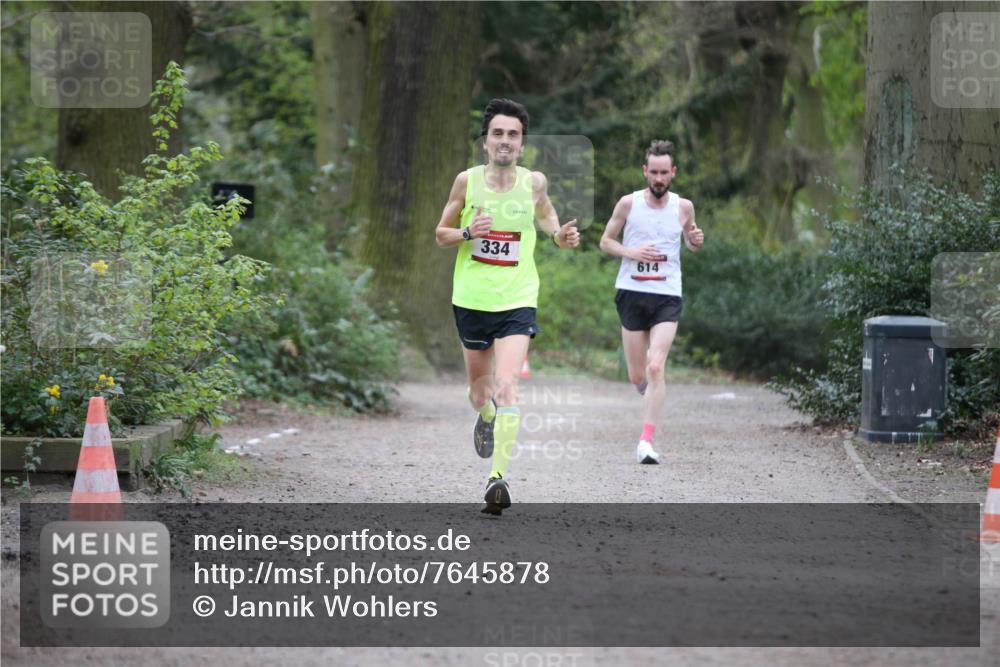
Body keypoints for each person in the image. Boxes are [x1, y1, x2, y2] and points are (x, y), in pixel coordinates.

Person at [435, 98, 580, 514]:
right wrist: (466, 231)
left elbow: (548, 215)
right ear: (486, 140)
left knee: (507, 385)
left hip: (518, 299)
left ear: (522, 143)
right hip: (471, 299)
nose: (504, 141)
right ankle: (485, 414)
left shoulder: (533, 183)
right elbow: (439, 234)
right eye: (497, 133)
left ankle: (496, 479)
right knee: (480, 392)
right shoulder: (467, 182)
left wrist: (558, 235)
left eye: (512, 135)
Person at [599, 140, 704, 464]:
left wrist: (695, 240)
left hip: (667, 294)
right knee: (637, 376)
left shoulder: (683, 207)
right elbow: (605, 242)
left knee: (656, 365)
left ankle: (646, 441)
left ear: (673, 173)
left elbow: (691, 238)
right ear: (645, 172)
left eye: (664, 172)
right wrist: (631, 252)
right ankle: (650, 394)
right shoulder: (628, 204)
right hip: (631, 292)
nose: (658, 178)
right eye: (653, 172)